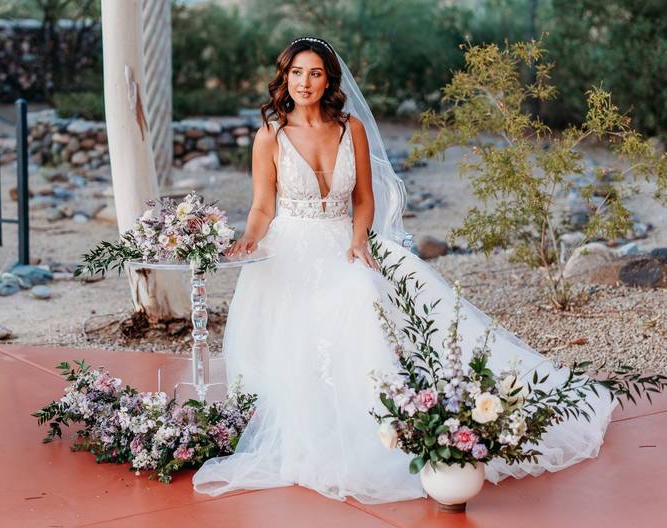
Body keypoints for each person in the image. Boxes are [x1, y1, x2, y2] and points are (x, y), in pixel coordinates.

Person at [192, 37, 615, 504]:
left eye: (314, 73)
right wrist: (248, 238)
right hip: (290, 249)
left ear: (329, 79)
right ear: (284, 77)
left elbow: (365, 200)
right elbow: (261, 206)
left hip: (344, 240)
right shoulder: (270, 135)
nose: (305, 82)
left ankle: (392, 422)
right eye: (296, 73)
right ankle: (325, 427)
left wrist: (359, 241)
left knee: (367, 292)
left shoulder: (349, 128)